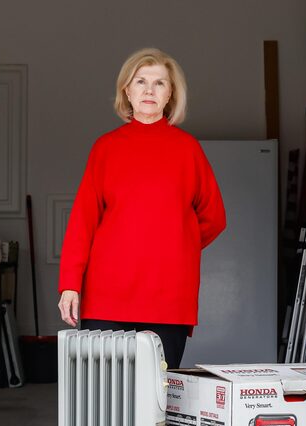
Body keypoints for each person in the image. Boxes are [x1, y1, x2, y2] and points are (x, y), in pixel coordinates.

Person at [57, 47, 226, 368]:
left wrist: (176, 245)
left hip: (169, 296)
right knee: (105, 398)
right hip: (106, 295)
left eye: (160, 83)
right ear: (127, 90)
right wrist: (69, 284)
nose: (149, 90)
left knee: (157, 401)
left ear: (171, 93)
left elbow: (214, 216)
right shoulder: (106, 148)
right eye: (140, 81)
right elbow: (83, 220)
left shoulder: (188, 149)